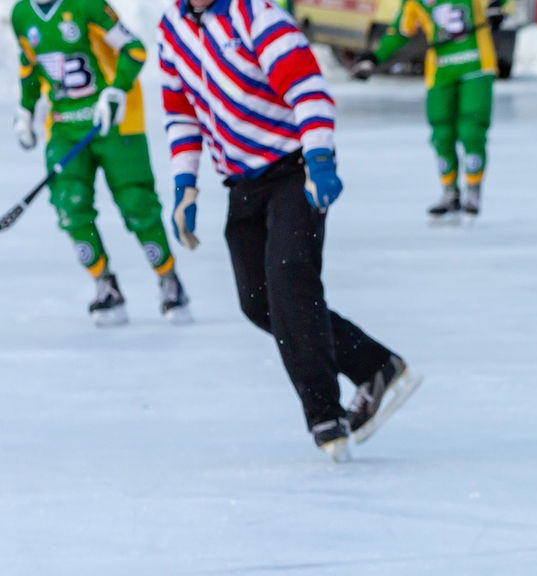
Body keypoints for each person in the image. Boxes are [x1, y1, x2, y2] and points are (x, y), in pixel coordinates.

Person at [157, 0, 420, 460]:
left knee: (290, 279)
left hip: (294, 168)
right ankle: (376, 366)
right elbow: (181, 114)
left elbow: (309, 89)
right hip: (242, 182)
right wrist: (185, 186)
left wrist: (319, 160)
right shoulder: (172, 30)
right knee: (259, 301)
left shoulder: (257, 16)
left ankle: (325, 416)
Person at [10, 0, 190, 325]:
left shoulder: (87, 5)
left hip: (116, 122)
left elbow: (134, 50)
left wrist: (117, 91)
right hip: (65, 127)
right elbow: (30, 66)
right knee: (69, 204)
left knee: (137, 204)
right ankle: (105, 284)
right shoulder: (22, 14)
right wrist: (26, 108)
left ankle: (168, 278)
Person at [351, 0, 498, 221]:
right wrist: (375, 57)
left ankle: (473, 189)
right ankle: (449, 191)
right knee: (441, 132)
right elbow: (400, 30)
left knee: (472, 128)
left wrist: (497, 7)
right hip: (440, 70)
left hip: (476, 64)